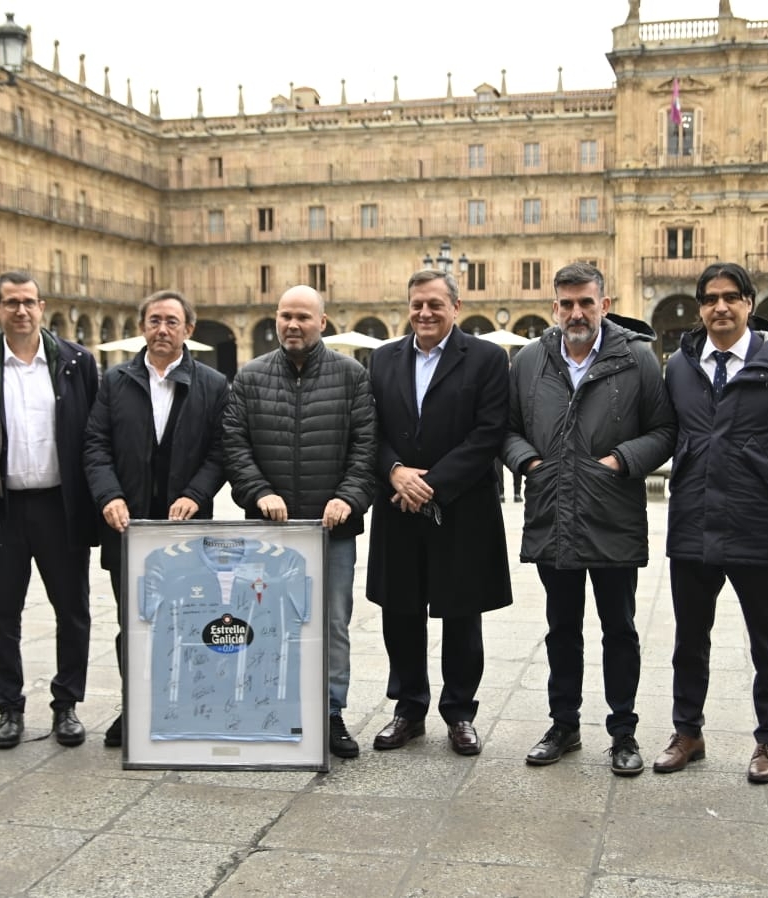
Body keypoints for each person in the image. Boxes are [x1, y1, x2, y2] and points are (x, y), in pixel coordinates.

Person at [502, 262, 675, 775]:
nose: (576, 313)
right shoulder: (530, 361)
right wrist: (530, 464)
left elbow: (665, 429)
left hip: (612, 512)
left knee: (619, 627)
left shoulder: (638, 359)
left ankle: (623, 731)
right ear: (555, 306)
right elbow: (506, 429)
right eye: (567, 303)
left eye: (586, 302)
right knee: (561, 627)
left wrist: (620, 461)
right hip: (552, 510)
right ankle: (565, 725)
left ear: (605, 302)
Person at [656, 262, 768, 782]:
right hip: (693, 520)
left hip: (757, 520)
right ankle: (688, 732)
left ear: (750, 302)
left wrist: (764, 473)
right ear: (700, 306)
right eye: (710, 299)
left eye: (731, 297)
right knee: (689, 639)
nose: (720, 307)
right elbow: (673, 428)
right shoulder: (680, 366)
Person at [0, 272, 99, 750]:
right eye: (10, 303)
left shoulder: (76, 362)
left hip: (60, 507)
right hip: (2, 508)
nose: (21, 311)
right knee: (2, 614)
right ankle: (8, 707)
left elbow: (95, 438)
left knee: (73, 611)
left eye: (28, 302)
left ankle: (67, 704)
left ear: (42, 305)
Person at [224, 285, 377, 759]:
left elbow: (366, 447)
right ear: (276, 319)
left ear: (322, 322)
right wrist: (259, 492)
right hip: (269, 532)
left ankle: (330, 714)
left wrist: (348, 498)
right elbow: (234, 444)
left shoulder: (352, 376)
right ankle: (268, 709)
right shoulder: (248, 378)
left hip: (332, 531)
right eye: (286, 316)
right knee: (265, 621)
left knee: (331, 623)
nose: (293, 324)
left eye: (303, 317)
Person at [366, 269, 512, 757]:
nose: (424, 313)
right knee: (400, 611)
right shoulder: (382, 359)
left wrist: (429, 484)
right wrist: (394, 472)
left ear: (456, 306)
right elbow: (370, 431)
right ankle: (408, 709)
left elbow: (489, 432)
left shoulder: (488, 358)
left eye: (434, 304)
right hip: (398, 503)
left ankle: (460, 712)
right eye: (416, 305)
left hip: (461, 504)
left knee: (461, 613)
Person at [83, 290, 229, 748]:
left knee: (187, 620)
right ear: (142, 327)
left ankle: (186, 704)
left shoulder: (213, 384)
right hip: (127, 527)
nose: (162, 329)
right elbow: (95, 445)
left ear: (189, 327)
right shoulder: (115, 381)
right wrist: (109, 496)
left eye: (171, 321)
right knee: (134, 621)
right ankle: (137, 706)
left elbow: (220, 451)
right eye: (153, 321)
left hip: (186, 528)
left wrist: (195, 493)